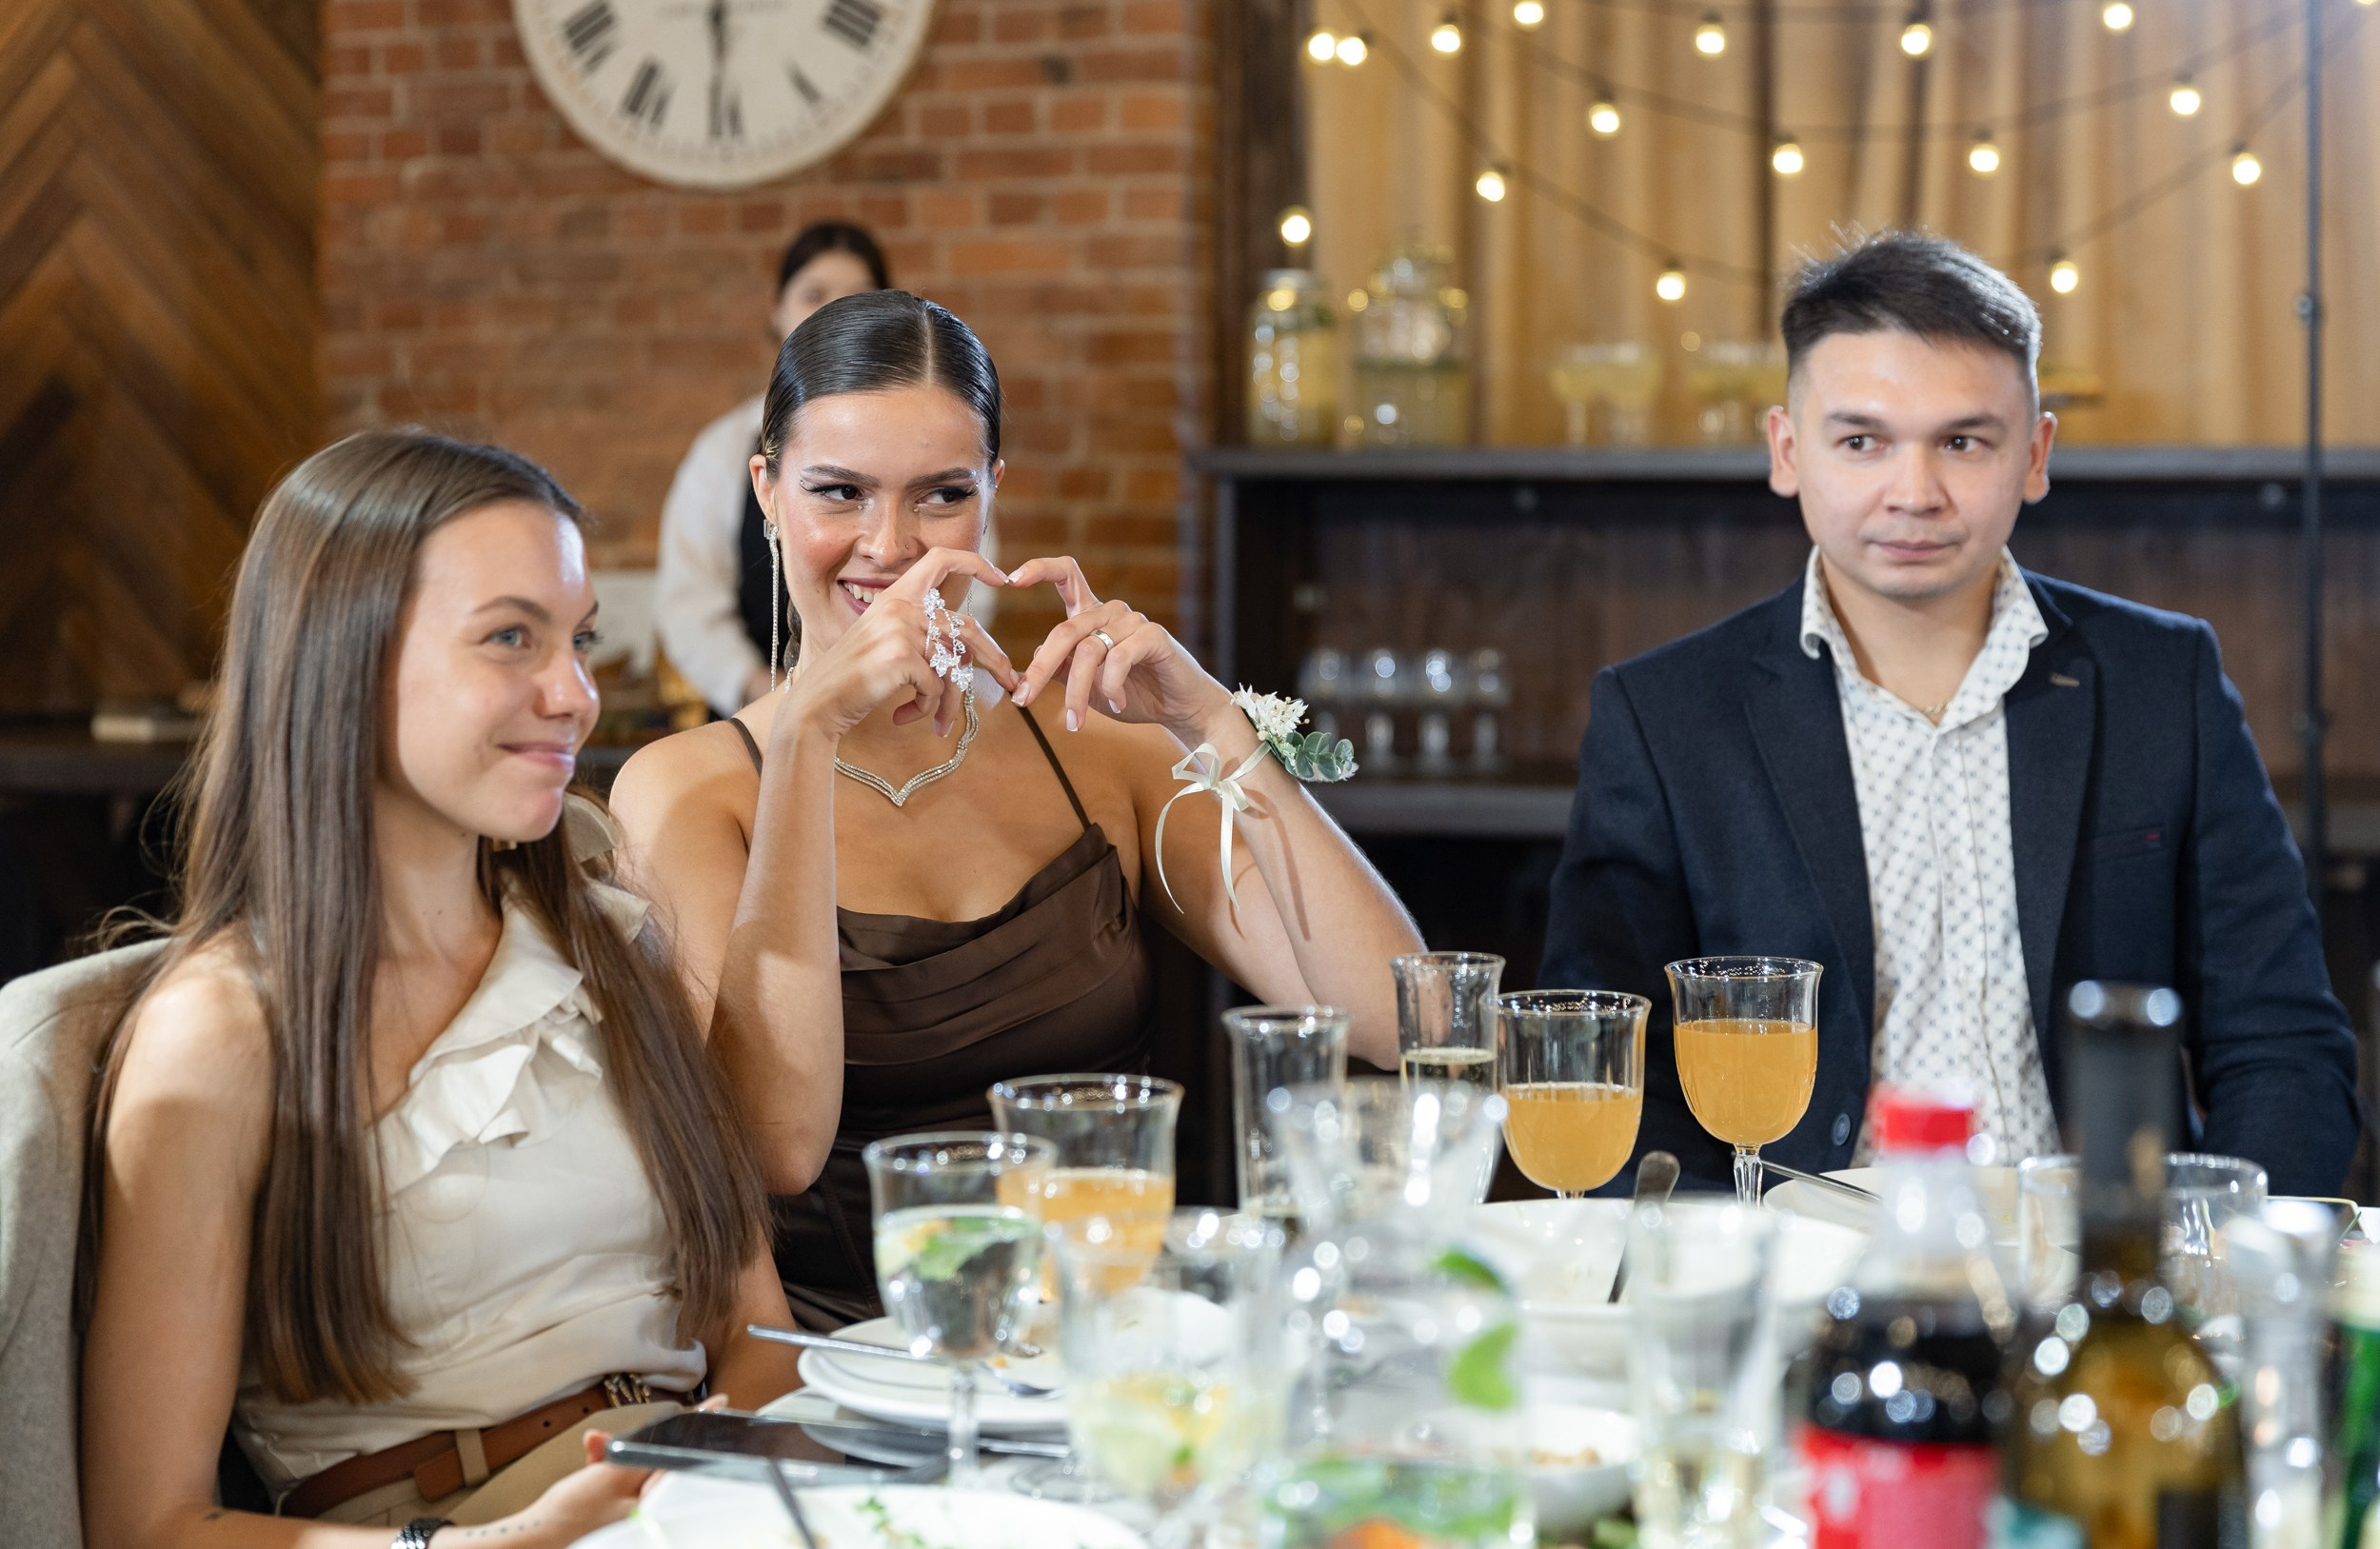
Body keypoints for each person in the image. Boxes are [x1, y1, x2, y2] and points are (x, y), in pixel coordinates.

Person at [610, 290, 1422, 1328]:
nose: (890, 545)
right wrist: (808, 734)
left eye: (940, 495)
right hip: (844, 1372)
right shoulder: (687, 788)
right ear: (766, 491)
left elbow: (1399, 1019)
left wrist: (1215, 722)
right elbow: (773, 1144)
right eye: (839, 492)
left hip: (1104, 1350)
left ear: (991, 493)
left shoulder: (1097, 751)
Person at [78, 431, 803, 1546]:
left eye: (581, 641)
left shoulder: (605, 941)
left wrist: (705, 1491)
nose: (574, 695)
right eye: (511, 637)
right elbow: (150, 1523)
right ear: (344, 659)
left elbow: (759, 1333)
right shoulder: (222, 1035)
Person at [1539, 232, 2359, 1197]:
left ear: (2035, 454)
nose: (1914, 493)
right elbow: (1606, 1067)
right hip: (1799, 1270)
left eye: (1962, 441)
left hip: (2103, 1268)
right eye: (1862, 441)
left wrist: (2211, 1267)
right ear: (1787, 450)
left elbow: (2282, 1044)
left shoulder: (2161, 680)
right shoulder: (1664, 715)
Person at [656, 222, 890, 716]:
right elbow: (689, 602)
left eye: (857, 297)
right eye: (813, 294)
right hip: (763, 715)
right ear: (778, 313)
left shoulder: (927, 444)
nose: (834, 313)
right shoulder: (723, 449)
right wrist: (772, 693)